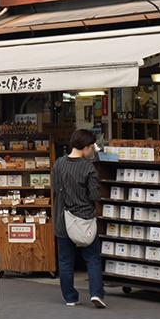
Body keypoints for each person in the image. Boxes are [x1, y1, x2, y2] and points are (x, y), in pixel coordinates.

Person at [52, 129, 105, 308]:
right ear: (86, 147)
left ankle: (70, 297)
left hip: (63, 219)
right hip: (85, 219)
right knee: (92, 258)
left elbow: (55, 187)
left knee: (66, 260)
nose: (93, 151)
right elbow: (94, 195)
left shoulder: (59, 164)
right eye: (92, 147)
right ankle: (96, 293)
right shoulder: (88, 167)